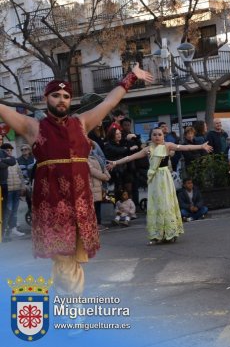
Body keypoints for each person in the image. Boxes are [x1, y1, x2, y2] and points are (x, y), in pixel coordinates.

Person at [0, 64, 153, 295]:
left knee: (70, 261)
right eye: (56, 95)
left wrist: (131, 77)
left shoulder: (81, 123)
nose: (61, 100)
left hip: (81, 205)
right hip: (52, 206)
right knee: (64, 261)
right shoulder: (33, 127)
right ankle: (73, 311)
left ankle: (66, 305)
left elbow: (109, 103)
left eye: (66, 96)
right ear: (46, 98)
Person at [107, 127, 213, 245]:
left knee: (167, 204)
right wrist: (115, 162)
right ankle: (157, 234)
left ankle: (170, 233)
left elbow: (186, 147)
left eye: (159, 134)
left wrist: (201, 146)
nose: (157, 137)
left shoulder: (168, 146)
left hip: (165, 179)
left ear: (163, 136)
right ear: (151, 137)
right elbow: (130, 157)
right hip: (154, 180)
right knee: (156, 205)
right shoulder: (148, 149)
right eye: (154, 135)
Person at [4, 144, 25, 239]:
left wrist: (23, 186)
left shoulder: (14, 161)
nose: (9, 152)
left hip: (16, 189)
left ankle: (13, 229)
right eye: (7, 150)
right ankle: (6, 231)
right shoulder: (2, 161)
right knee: (8, 210)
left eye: (10, 150)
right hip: (7, 190)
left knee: (15, 210)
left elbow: (20, 174)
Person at [88, 142, 110, 231]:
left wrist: (107, 175)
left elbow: (103, 167)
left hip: (99, 185)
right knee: (93, 206)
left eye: (90, 147)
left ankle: (99, 223)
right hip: (92, 185)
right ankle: (95, 224)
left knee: (98, 205)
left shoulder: (95, 157)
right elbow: (92, 170)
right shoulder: (84, 159)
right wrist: (104, 176)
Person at [0, 143, 17, 240]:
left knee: (4, 209)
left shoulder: (2, 152)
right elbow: (7, 163)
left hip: (3, 184)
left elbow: (13, 161)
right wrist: (5, 163)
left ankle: (3, 234)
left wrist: (2, 160)